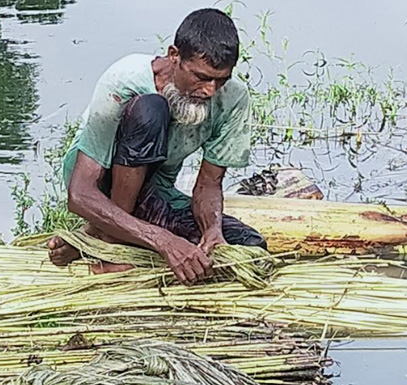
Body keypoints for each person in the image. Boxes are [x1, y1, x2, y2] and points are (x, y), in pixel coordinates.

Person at [48, 8, 266, 285]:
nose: (210, 90)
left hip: (153, 195)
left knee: (248, 246)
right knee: (151, 110)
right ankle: (111, 245)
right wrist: (165, 242)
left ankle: (96, 233)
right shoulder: (125, 79)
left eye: (220, 80)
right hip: (103, 186)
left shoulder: (234, 98)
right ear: (174, 56)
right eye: (201, 77)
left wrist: (213, 232)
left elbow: (209, 184)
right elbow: (79, 194)